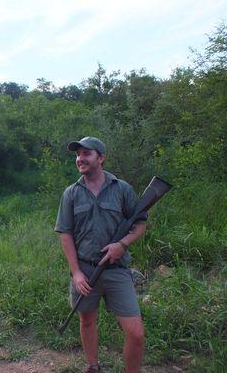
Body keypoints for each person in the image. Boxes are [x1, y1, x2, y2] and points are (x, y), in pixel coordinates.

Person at [54, 137, 147, 373]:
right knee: (87, 320)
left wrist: (122, 245)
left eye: (86, 154)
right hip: (85, 271)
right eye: (78, 155)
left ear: (101, 158)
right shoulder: (71, 193)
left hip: (117, 270)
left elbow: (140, 225)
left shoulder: (122, 189)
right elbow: (65, 234)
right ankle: (93, 366)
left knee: (136, 333)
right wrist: (76, 273)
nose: (80, 159)